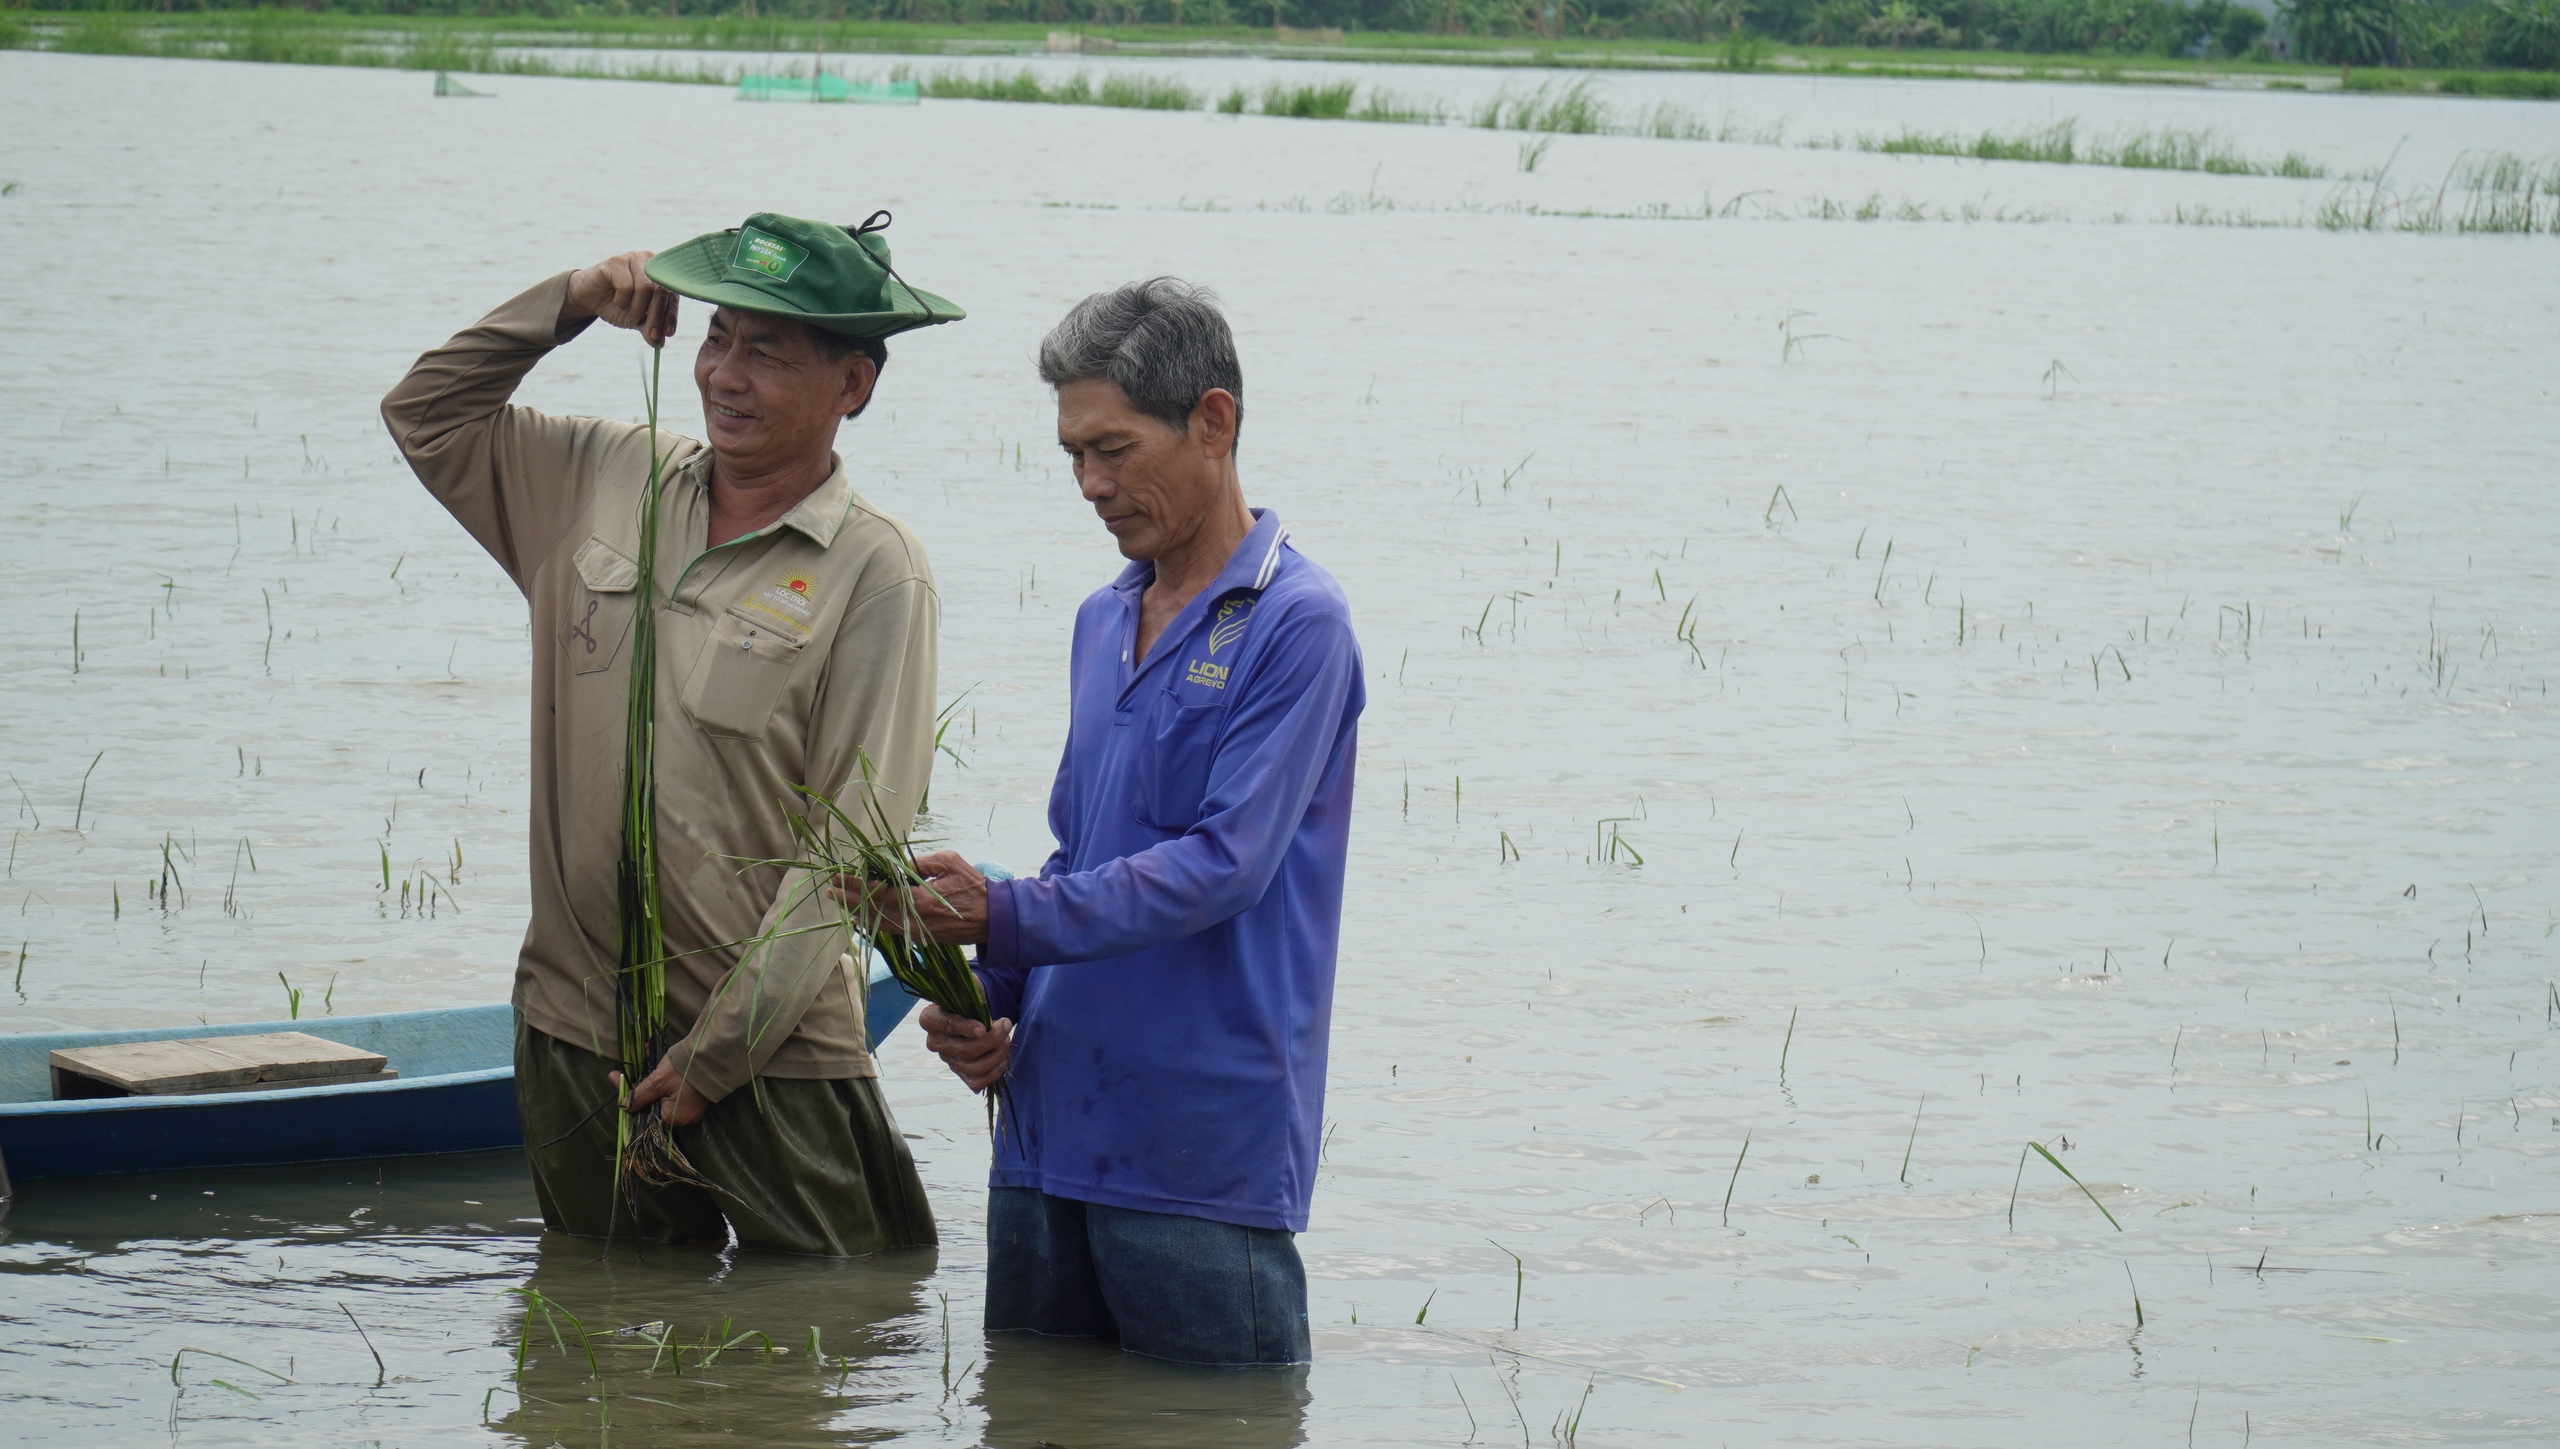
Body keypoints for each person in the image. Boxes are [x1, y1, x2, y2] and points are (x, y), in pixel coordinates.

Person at [382, 211, 965, 1256]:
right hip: (576, 1035)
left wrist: (717, 1056)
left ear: (854, 385)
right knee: (592, 1358)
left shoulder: (876, 572)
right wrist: (568, 300)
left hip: (770, 1056)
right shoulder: (602, 478)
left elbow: (847, 852)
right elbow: (424, 414)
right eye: (717, 339)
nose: (724, 376)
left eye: (768, 352)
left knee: (825, 1342)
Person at [887, 278, 1364, 1367]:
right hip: (1048, 1130)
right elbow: (1084, 846)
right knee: (1032, 1414)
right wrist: (987, 988)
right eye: (1071, 457)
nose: (1090, 485)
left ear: (1213, 422)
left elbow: (1222, 867)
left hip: (1199, 1156)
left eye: (1113, 449)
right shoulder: (1103, 617)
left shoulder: (1296, 625)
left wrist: (1001, 919)